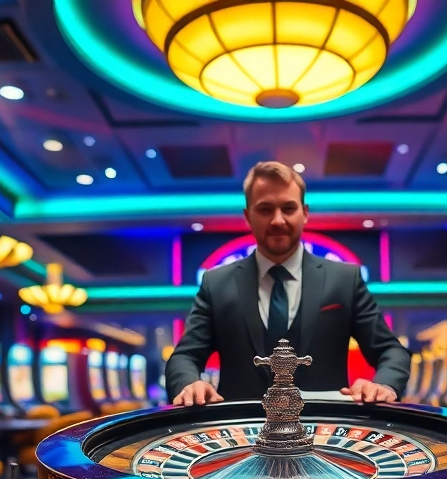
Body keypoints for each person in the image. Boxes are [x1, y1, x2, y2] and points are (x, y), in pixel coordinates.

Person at [166, 161, 411, 406]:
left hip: (325, 432)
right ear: (247, 216)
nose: (278, 220)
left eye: (288, 208)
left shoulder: (345, 280)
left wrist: (384, 385)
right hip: (240, 433)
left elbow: (391, 351)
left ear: (304, 213)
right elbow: (184, 357)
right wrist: (189, 384)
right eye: (265, 209)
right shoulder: (216, 283)